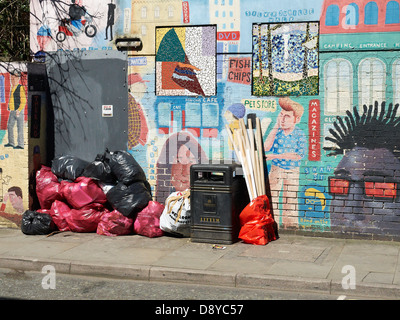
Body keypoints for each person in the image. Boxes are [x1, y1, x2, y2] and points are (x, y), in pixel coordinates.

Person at [264, 97, 306, 228]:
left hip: (292, 171)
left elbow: (298, 155)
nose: (282, 119)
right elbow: (265, 147)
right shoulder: (277, 132)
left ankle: (291, 225)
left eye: (287, 116)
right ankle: (272, 223)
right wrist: (276, 126)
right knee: (273, 197)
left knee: (291, 198)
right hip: (276, 169)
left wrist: (276, 155)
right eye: (281, 115)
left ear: (296, 119)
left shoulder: (299, 134)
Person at [4, 71, 26, 150]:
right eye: (11, 78)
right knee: (10, 126)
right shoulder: (12, 88)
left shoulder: (20, 88)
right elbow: (11, 99)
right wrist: (9, 108)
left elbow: (23, 101)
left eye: (14, 78)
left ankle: (20, 145)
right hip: (12, 111)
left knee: (19, 127)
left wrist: (19, 110)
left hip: (18, 111)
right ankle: (11, 142)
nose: (12, 80)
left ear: (18, 79)